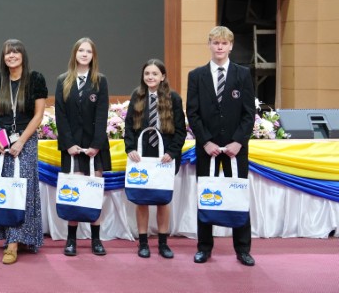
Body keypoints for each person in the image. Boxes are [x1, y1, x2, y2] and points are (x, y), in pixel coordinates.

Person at [187, 26, 255, 267]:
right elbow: (193, 113)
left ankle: (243, 249)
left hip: (236, 150)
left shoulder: (242, 74)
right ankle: (204, 248)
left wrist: (238, 141)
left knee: (238, 197)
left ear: (231, 46)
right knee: (207, 197)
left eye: (224, 43)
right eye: (215, 43)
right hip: (208, 149)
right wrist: (206, 141)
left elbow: (249, 113)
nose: (219, 47)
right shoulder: (196, 76)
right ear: (209, 45)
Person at [0, 39, 47, 265]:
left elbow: (38, 115)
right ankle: (8, 236)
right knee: (4, 188)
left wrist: (21, 141)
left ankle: (15, 242)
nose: (11, 56)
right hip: (0, 141)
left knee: (23, 189)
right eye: (7, 53)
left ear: (23, 56)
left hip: (25, 141)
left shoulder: (35, 79)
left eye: (15, 52)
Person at [123, 59, 187, 259]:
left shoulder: (173, 98)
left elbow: (180, 130)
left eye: (154, 74)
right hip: (141, 157)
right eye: (147, 74)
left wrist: (172, 152)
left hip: (164, 158)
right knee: (141, 200)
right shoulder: (137, 95)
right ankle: (143, 243)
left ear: (162, 76)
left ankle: (163, 243)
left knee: (162, 201)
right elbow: (128, 126)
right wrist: (130, 148)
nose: (150, 77)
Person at [54, 37, 110, 256]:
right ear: (75, 54)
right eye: (81, 50)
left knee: (94, 194)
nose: (84, 54)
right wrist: (68, 144)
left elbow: (102, 114)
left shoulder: (100, 81)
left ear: (93, 55)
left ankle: (96, 240)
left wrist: (96, 145)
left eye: (88, 51)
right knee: (74, 193)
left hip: (95, 148)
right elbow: (60, 115)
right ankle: (71, 240)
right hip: (72, 148)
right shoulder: (63, 80)